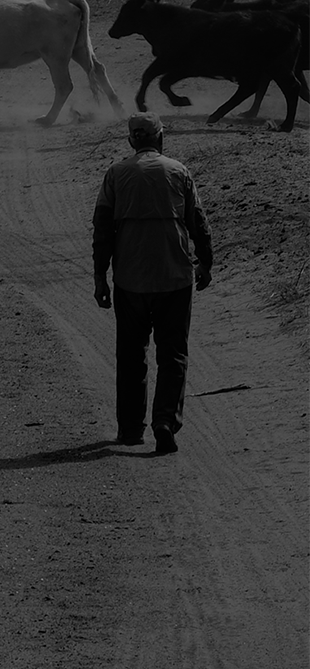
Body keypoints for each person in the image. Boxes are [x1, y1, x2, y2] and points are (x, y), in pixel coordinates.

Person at [92, 113, 212, 455]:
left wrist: (101, 276)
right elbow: (198, 222)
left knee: (131, 354)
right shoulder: (179, 172)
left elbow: (102, 230)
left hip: (130, 280)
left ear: (132, 140)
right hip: (174, 277)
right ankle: (164, 421)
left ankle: (131, 429)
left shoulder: (116, 174)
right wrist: (206, 261)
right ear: (161, 137)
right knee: (173, 352)